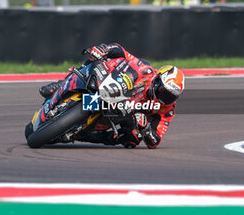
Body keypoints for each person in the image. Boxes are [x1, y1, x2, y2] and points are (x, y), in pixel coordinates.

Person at [39, 43, 185, 149]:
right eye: (163, 91)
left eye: (170, 96)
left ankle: (82, 136)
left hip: (127, 114)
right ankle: (63, 82)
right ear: (157, 80)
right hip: (114, 89)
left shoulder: (167, 109)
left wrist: (145, 127)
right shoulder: (145, 69)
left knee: (132, 139)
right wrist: (105, 49)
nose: (163, 98)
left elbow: (155, 141)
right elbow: (122, 52)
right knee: (96, 58)